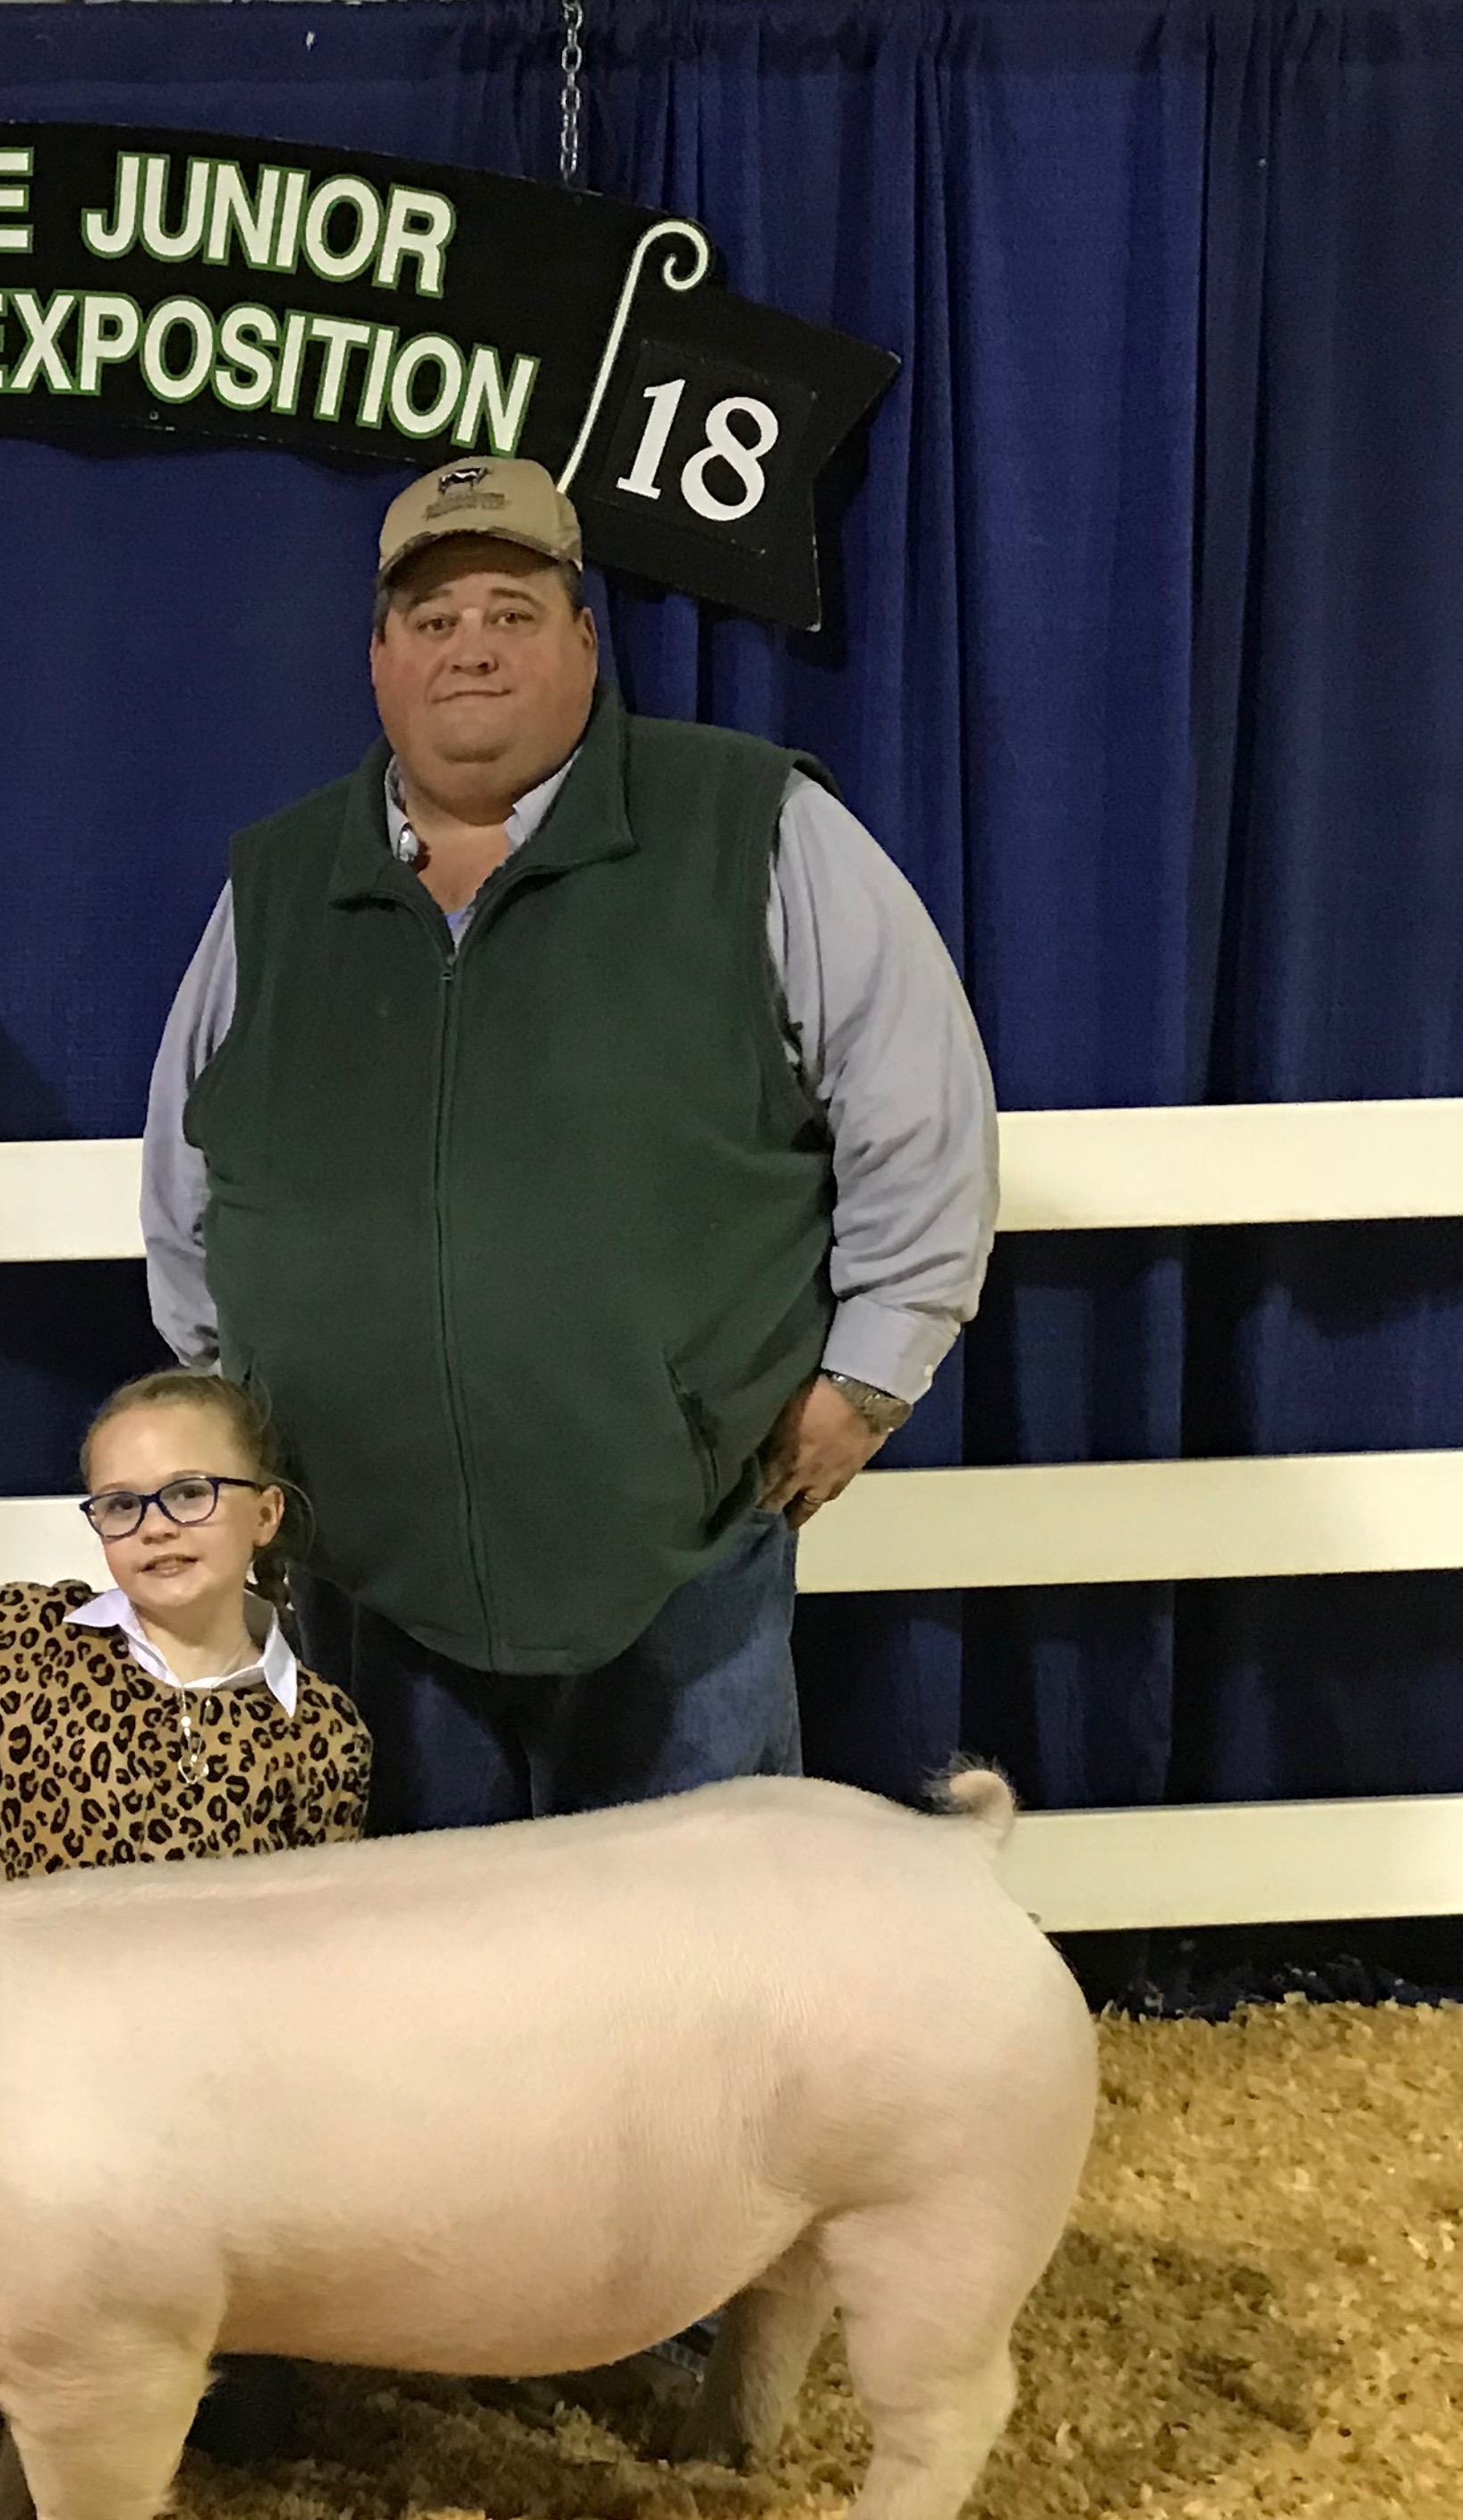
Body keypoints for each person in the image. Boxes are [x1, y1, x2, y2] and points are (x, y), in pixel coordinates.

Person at [142, 454, 998, 1832]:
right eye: (431, 619)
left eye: (512, 610)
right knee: (427, 1983)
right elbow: (187, 1186)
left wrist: (868, 1376)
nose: (469, 645)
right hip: (367, 1549)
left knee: (702, 1969)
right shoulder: (278, 888)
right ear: (378, 661)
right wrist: (247, 1417)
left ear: (585, 641)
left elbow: (920, 1110)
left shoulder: (755, 828)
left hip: (675, 1539)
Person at [0, 1361, 368, 2456]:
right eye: (121, 1506)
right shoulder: (19, 1647)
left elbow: (321, 1954)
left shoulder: (323, 1731)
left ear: (265, 1511)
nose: (157, 1528)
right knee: (25, 2393)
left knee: (247, 2436)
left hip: (209, 2122)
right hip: (25, 2099)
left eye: (192, 1493)